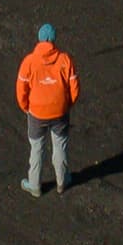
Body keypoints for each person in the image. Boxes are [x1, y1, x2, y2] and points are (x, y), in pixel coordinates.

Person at [14, 22, 78, 194]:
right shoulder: (65, 60)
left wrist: (26, 107)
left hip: (36, 113)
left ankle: (35, 185)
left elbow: (21, 89)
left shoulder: (29, 62)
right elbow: (74, 87)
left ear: (40, 39)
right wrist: (67, 104)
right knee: (60, 146)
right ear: (54, 40)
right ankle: (62, 181)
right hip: (60, 113)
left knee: (37, 148)